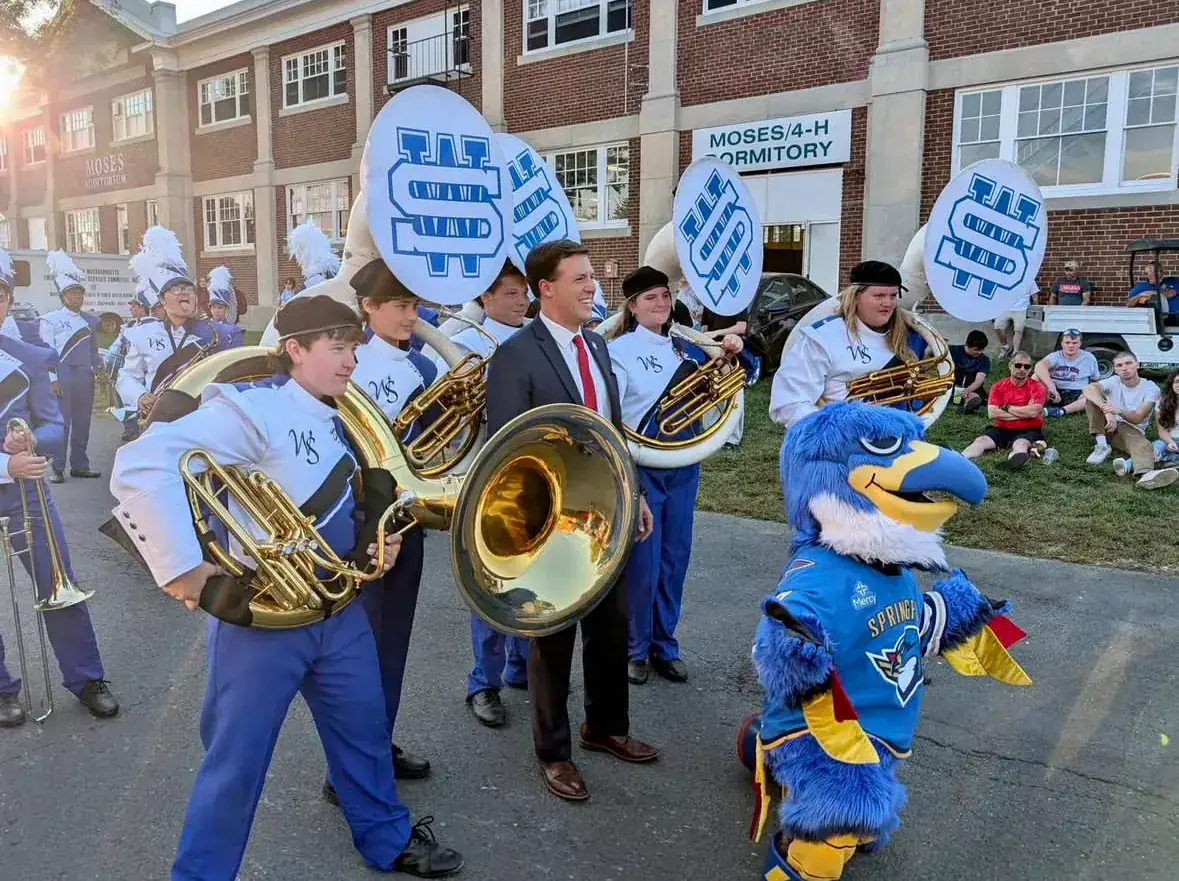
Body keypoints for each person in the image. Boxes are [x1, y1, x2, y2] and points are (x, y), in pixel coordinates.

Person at [108, 295, 463, 880]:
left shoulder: (344, 415)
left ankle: (386, 837)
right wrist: (183, 569)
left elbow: (348, 498)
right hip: (263, 621)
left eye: (353, 346)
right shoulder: (250, 412)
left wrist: (376, 540)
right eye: (337, 347)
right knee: (236, 762)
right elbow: (142, 462)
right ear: (295, 350)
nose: (351, 360)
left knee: (365, 733)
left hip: (338, 608)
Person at [486, 239, 659, 802]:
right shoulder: (515, 355)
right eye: (580, 279)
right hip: (549, 524)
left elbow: (614, 434)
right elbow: (508, 454)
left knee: (611, 628)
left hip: (606, 516)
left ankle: (605, 728)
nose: (592, 287)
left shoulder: (598, 347)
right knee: (552, 639)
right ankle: (553, 751)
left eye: (591, 278)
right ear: (546, 289)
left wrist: (636, 498)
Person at [605, 266, 746, 686]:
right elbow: (615, 413)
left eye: (664, 296)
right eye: (650, 298)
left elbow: (737, 377)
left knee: (674, 559)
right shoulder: (619, 350)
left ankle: (665, 645)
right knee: (642, 564)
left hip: (684, 463)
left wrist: (731, 352)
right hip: (644, 463)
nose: (661, 304)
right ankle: (635, 649)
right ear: (632, 306)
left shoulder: (688, 346)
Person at [0, 252, 119, 728]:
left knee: (58, 584)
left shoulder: (27, 356)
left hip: (26, 493)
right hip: (15, 473)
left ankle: (86, 677)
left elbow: (54, 427)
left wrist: (30, 440)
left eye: (1, 295)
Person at [333, 260, 437, 791]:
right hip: (359, 523)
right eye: (399, 306)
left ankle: (378, 741)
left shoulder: (424, 367)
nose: (410, 316)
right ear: (369, 307)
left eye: (415, 306)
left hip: (409, 519)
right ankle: (348, 766)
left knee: (393, 642)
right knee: (358, 648)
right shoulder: (348, 363)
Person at [438, 260, 534, 729]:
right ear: (486, 299)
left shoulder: (539, 336)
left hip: (535, 472)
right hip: (485, 473)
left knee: (534, 577)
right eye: (511, 294)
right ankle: (485, 682)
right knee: (491, 583)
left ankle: (521, 667)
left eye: (524, 293)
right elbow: (446, 416)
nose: (522, 302)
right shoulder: (463, 345)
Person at [769, 260, 928, 429]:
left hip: (899, 434)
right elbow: (787, 405)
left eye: (893, 295)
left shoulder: (909, 337)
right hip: (840, 440)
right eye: (879, 296)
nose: (888, 303)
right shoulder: (822, 337)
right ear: (856, 297)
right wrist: (836, 430)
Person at [116, 227, 227, 426]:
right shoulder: (144, 334)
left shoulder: (214, 333)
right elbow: (127, 376)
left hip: (201, 419)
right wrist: (140, 396)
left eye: (188, 289)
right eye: (176, 289)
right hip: (157, 420)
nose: (184, 293)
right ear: (162, 301)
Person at [40, 250, 102, 483]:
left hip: (85, 377)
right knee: (62, 423)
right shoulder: (51, 319)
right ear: (62, 296)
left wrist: (99, 367)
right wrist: (52, 379)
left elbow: (94, 350)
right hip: (63, 376)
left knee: (83, 422)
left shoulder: (90, 320)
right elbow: (48, 352)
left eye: (79, 293)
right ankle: (57, 468)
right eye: (72, 293)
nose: (77, 297)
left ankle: (80, 465)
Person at [1083, 351, 1175, 489]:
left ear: (1137, 365)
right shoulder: (1113, 381)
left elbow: (1138, 417)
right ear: (1115, 370)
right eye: (1119, 365)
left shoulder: (1150, 388)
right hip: (1105, 425)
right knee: (1092, 399)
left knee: (1143, 445)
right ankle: (1101, 445)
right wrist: (1107, 412)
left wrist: (1118, 411)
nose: (1124, 368)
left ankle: (1146, 475)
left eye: (1128, 363)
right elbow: (1088, 388)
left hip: (1130, 428)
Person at [961, 352, 1046, 470]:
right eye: (1018, 365)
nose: (1022, 369)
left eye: (1027, 367)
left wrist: (1007, 407)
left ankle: (1015, 461)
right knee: (981, 441)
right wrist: (1024, 414)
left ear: (1030, 369)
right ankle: (961, 458)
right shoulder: (998, 386)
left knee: (1021, 444)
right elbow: (992, 413)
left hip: (1028, 430)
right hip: (1001, 429)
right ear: (1010, 366)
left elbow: (1033, 411)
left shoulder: (1037, 387)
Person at [1036, 329, 1100, 417]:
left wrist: (1089, 391)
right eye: (1067, 342)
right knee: (1036, 376)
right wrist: (1051, 387)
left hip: (1077, 393)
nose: (1071, 346)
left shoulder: (1089, 358)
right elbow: (1039, 366)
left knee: (1094, 395)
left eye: (1074, 343)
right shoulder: (1055, 356)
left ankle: (1061, 411)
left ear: (1080, 344)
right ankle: (1034, 405)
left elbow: (1095, 379)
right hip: (1054, 392)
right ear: (1062, 344)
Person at [950, 329, 991, 413]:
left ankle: (968, 404)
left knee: (974, 396)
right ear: (967, 345)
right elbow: (932, 352)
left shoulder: (984, 360)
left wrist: (967, 390)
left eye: (982, 350)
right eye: (976, 349)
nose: (979, 352)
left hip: (972, 387)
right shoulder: (952, 350)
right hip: (952, 384)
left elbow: (979, 380)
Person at [993, 282, 1037, 359]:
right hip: (1006, 308)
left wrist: (1036, 309)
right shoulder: (1009, 278)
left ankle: (1015, 352)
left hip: (1022, 308)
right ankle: (1005, 346)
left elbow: (1035, 295)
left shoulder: (1030, 279)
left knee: (1019, 328)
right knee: (997, 326)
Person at [205, 267, 246, 349]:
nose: (216, 311)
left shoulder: (234, 330)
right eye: (214, 308)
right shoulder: (205, 327)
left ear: (226, 309)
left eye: (220, 308)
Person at [1152, 369, 1179, 469]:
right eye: (1176, 381)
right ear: (1171, 384)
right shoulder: (1162, 403)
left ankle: (1168, 460)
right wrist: (1170, 442)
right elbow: (1162, 431)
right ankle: (1125, 466)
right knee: (1156, 448)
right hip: (1169, 440)